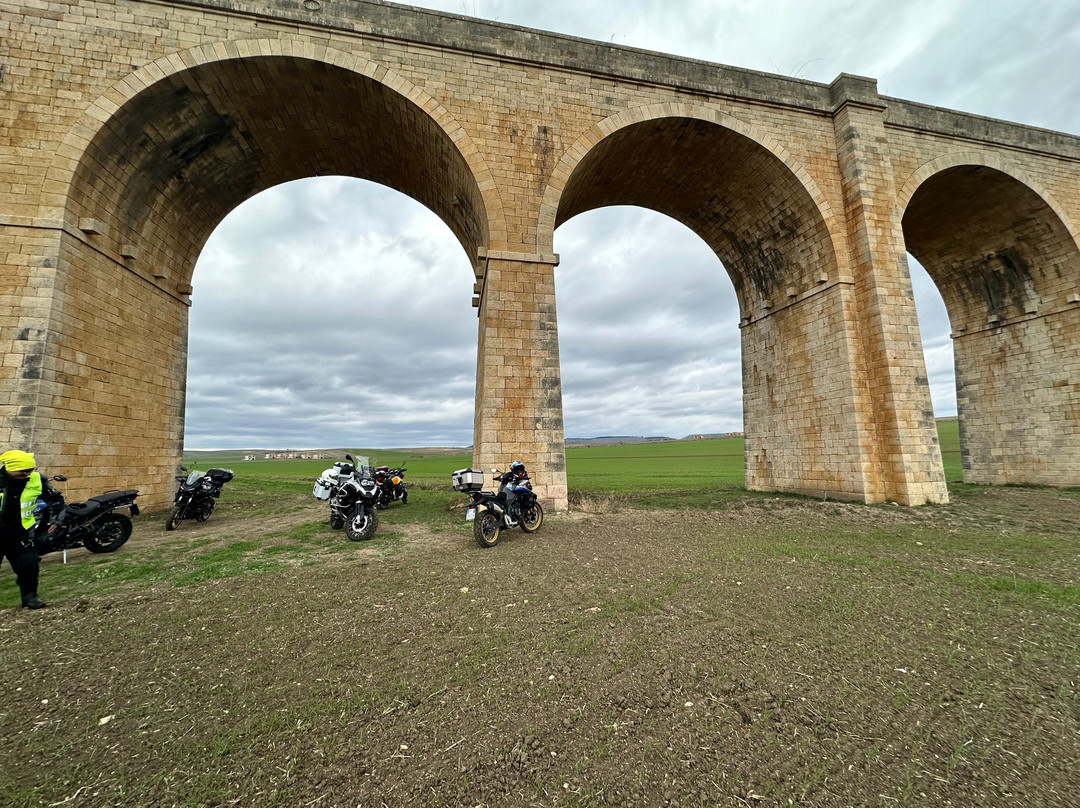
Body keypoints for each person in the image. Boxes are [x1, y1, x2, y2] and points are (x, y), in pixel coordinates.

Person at [0, 450, 51, 609]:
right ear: (10, 468)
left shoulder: (37, 480)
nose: (27, 474)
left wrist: (53, 521)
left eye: (31, 469)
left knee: (29, 566)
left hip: (21, 533)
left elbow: (56, 500)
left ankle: (30, 597)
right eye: (23, 471)